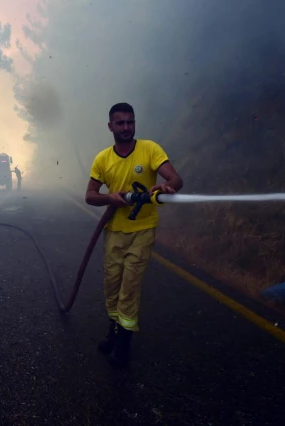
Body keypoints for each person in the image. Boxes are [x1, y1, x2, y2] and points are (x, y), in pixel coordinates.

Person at [85, 102, 183, 367]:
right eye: (120, 123)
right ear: (110, 127)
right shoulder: (103, 159)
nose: (126, 127)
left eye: (130, 122)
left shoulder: (150, 149)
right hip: (114, 232)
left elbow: (176, 180)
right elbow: (90, 196)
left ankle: (124, 344)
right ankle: (113, 332)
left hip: (142, 231)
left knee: (129, 287)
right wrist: (110, 198)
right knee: (112, 285)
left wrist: (165, 186)